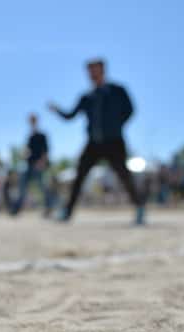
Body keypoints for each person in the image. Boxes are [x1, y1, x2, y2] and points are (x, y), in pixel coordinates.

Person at [48, 59, 145, 224]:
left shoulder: (117, 91)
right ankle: (67, 211)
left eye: (95, 70)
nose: (92, 74)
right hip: (94, 143)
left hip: (114, 141)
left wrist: (116, 125)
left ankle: (139, 207)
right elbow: (70, 115)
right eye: (89, 71)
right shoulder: (87, 96)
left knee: (124, 175)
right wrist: (57, 110)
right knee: (79, 175)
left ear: (103, 70)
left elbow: (130, 110)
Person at [11, 113, 51, 217]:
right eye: (30, 121)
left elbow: (45, 151)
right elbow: (27, 151)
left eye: (33, 120)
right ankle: (17, 207)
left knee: (42, 186)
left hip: (38, 165)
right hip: (29, 165)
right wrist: (24, 153)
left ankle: (48, 207)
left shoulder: (42, 135)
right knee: (22, 184)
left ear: (36, 121)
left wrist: (42, 163)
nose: (31, 122)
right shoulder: (29, 136)